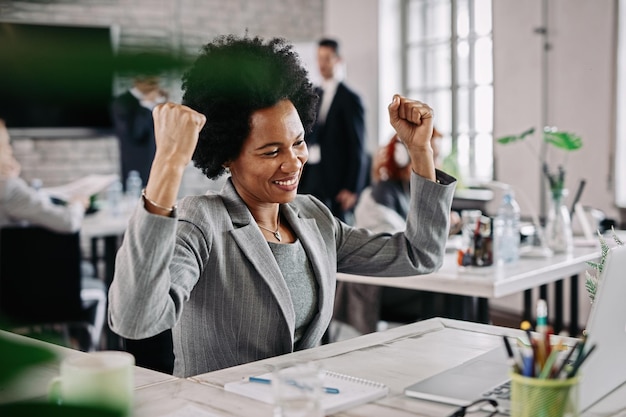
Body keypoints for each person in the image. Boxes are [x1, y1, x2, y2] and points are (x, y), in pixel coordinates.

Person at [107, 34, 456, 378]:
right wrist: (168, 162)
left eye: (299, 142)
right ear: (228, 156)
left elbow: (419, 255)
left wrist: (420, 152)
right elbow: (136, 320)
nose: (293, 163)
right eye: (272, 151)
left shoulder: (314, 218)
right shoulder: (203, 222)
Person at [333, 131, 462, 335]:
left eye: (436, 156)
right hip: (378, 286)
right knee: (454, 297)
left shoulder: (409, 190)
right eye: (432, 156)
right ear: (404, 156)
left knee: (459, 295)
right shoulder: (380, 196)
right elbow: (397, 247)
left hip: (407, 277)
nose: (437, 163)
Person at [0, 119, 105, 351]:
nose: (10, 148)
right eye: (6, 143)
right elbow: (68, 223)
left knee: (85, 269)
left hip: (10, 285)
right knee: (96, 285)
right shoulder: (8, 188)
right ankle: (88, 355)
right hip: (28, 291)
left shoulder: (10, 187)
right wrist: (77, 203)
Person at [298, 38, 369, 224]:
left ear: (338, 60)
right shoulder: (312, 93)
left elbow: (358, 147)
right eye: (319, 58)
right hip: (310, 174)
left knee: (332, 228)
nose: (322, 64)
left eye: (327, 58)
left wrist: (352, 188)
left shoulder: (350, 98)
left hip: (336, 180)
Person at [111, 73, 167, 190]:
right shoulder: (122, 102)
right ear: (138, 81)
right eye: (152, 83)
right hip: (137, 172)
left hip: (159, 169)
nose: (156, 87)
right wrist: (146, 105)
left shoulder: (158, 101)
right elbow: (136, 134)